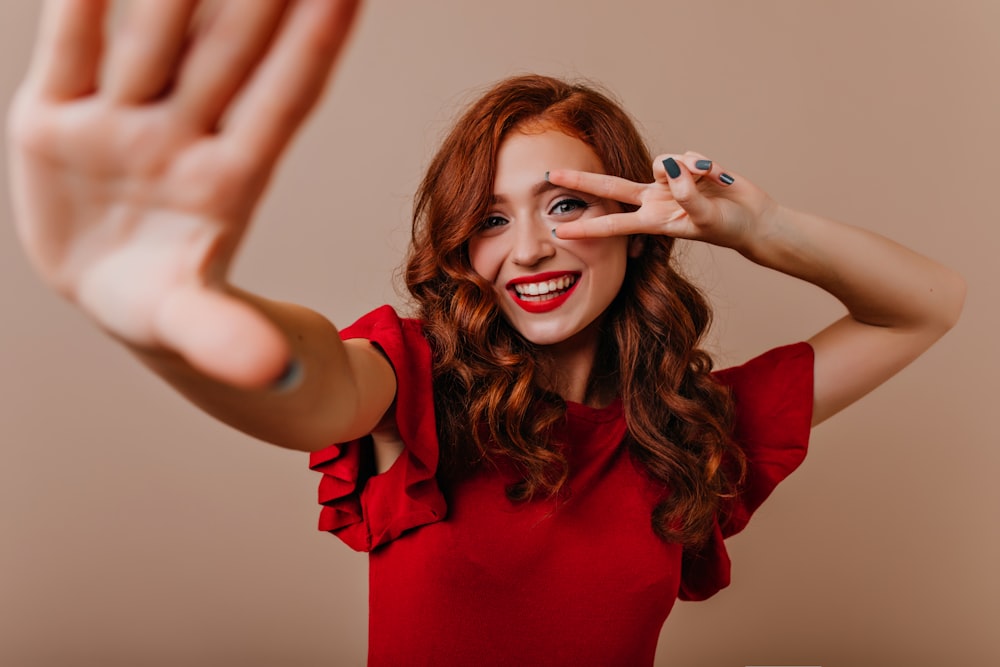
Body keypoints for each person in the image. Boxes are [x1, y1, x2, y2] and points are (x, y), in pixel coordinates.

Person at [7, 1, 965, 665]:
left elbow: (925, 302)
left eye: (567, 204)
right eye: (495, 217)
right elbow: (306, 383)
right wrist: (173, 311)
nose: (533, 246)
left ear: (639, 226)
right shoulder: (412, 377)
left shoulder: (692, 425)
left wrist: (754, 227)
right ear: (463, 246)